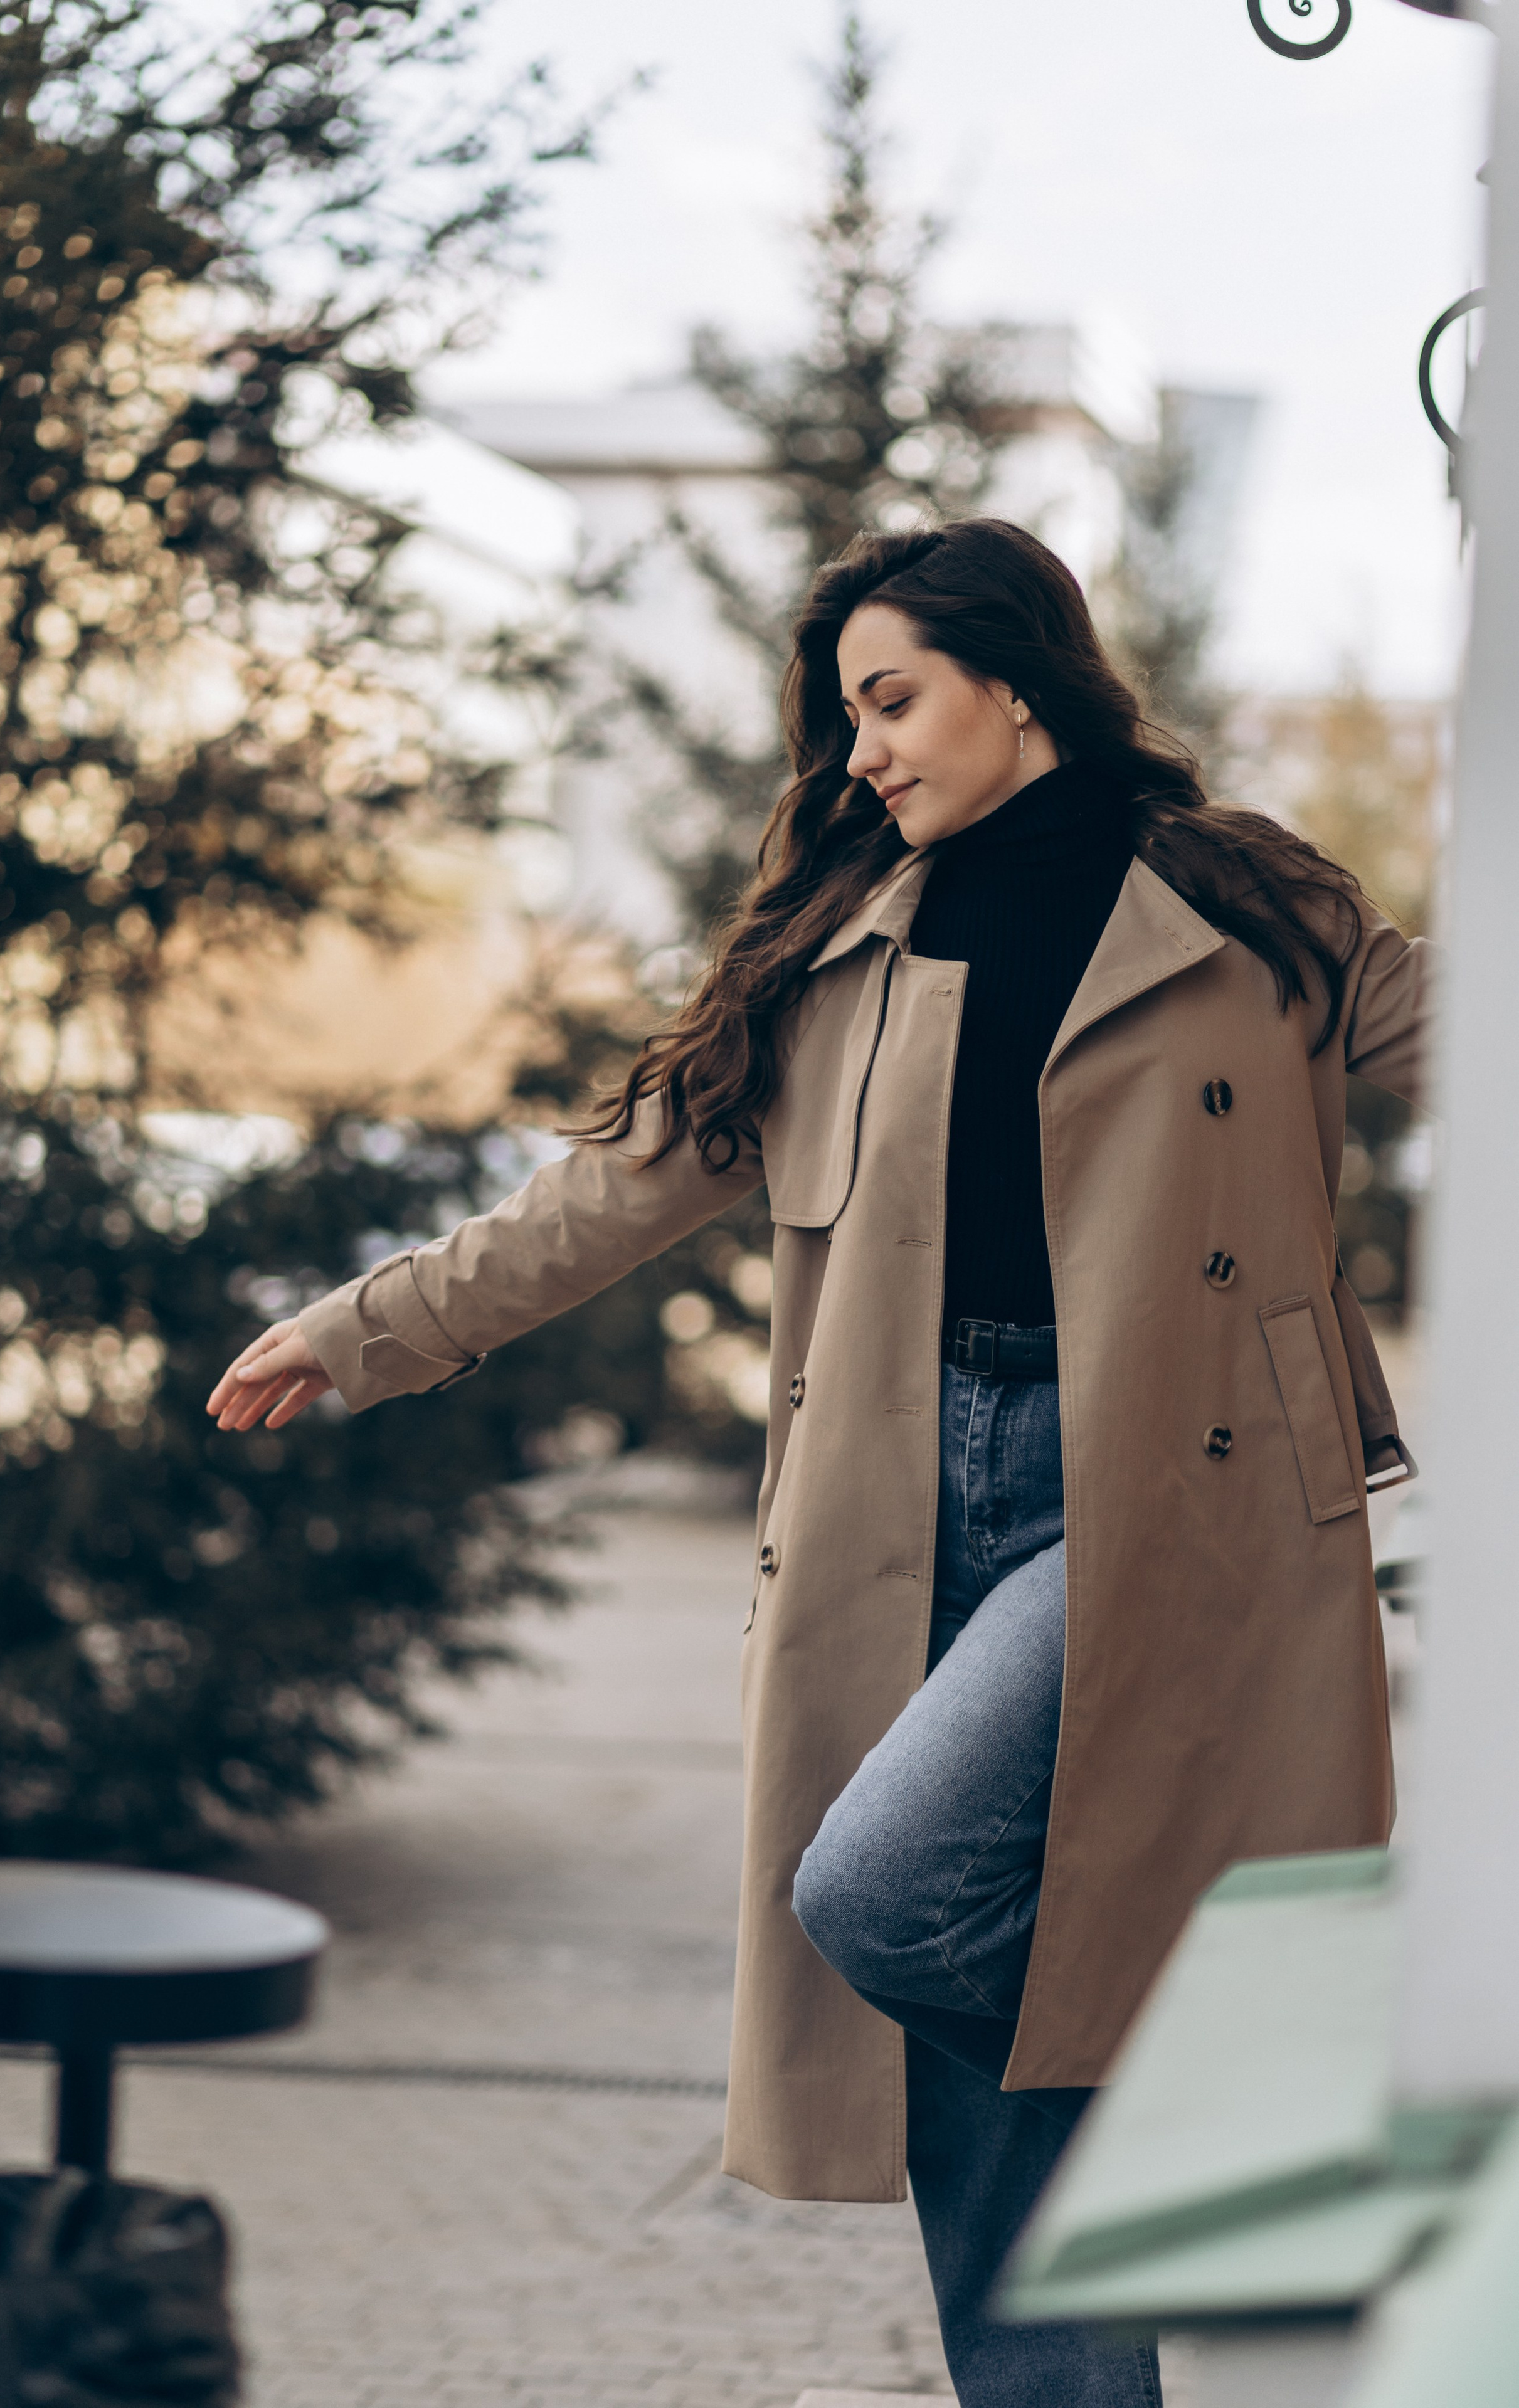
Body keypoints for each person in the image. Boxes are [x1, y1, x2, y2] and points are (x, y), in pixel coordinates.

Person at [208, 520, 1429, 2407]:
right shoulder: (837, 946)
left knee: (882, 1893)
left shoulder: (1253, 909)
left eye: (893, 699)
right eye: (844, 712)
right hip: (905, 1492)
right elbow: (609, 1192)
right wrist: (365, 1332)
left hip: (1172, 1498)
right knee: (962, 1992)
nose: (858, 749)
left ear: (1016, 682)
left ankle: (1186, 2093)